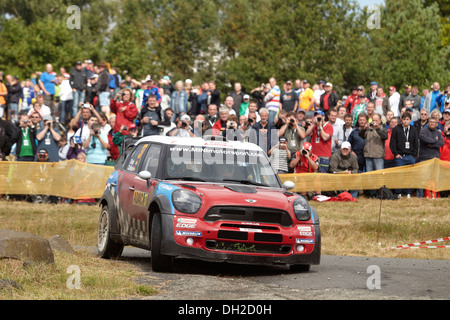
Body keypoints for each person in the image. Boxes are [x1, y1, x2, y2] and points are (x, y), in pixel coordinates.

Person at [390, 112, 418, 198]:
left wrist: (414, 155)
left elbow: (416, 143)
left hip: (410, 156)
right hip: (400, 156)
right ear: (401, 120)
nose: (405, 121)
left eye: (407, 119)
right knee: (399, 175)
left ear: (410, 120)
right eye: (404, 119)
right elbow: (392, 143)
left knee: (409, 175)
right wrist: (396, 153)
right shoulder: (396, 129)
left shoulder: (413, 129)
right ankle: (398, 193)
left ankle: (408, 192)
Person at [359, 113, 388, 197]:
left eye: (376, 120)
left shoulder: (382, 128)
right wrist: (364, 129)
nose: (374, 122)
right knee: (370, 176)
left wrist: (377, 128)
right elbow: (361, 135)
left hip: (378, 156)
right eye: (373, 120)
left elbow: (385, 136)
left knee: (379, 176)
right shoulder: (368, 129)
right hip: (368, 155)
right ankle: (371, 194)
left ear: (379, 121)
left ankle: (380, 193)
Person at [419, 117, 445, 198]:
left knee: (435, 178)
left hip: (435, 159)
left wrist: (431, 144)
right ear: (428, 123)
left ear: (436, 124)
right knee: (422, 178)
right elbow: (423, 139)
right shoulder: (423, 130)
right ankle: (420, 195)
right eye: (430, 122)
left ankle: (435, 195)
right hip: (425, 158)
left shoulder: (439, 133)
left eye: (434, 122)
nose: (432, 123)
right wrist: (435, 140)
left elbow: (441, 142)